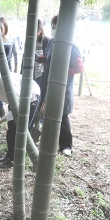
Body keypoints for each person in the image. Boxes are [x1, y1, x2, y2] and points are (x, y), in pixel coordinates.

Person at [36, 15, 84, 156]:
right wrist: (39, 59)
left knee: (62, 116)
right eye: (53, 26)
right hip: (47, 83)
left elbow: (79, 67)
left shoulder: (71, 46)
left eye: (57, 27)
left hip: (63, 87)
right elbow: (49, 58)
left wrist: (62, 73)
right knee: (45, 112)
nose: (54, 29)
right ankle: (46, 140)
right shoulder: (51, 42)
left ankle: (66, 145)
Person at [33, 19, 50, 86]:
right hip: (30, 70)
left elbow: (48, 58)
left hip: (40, 72)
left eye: (38, 28)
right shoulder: (29, 39)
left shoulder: (46, 40)